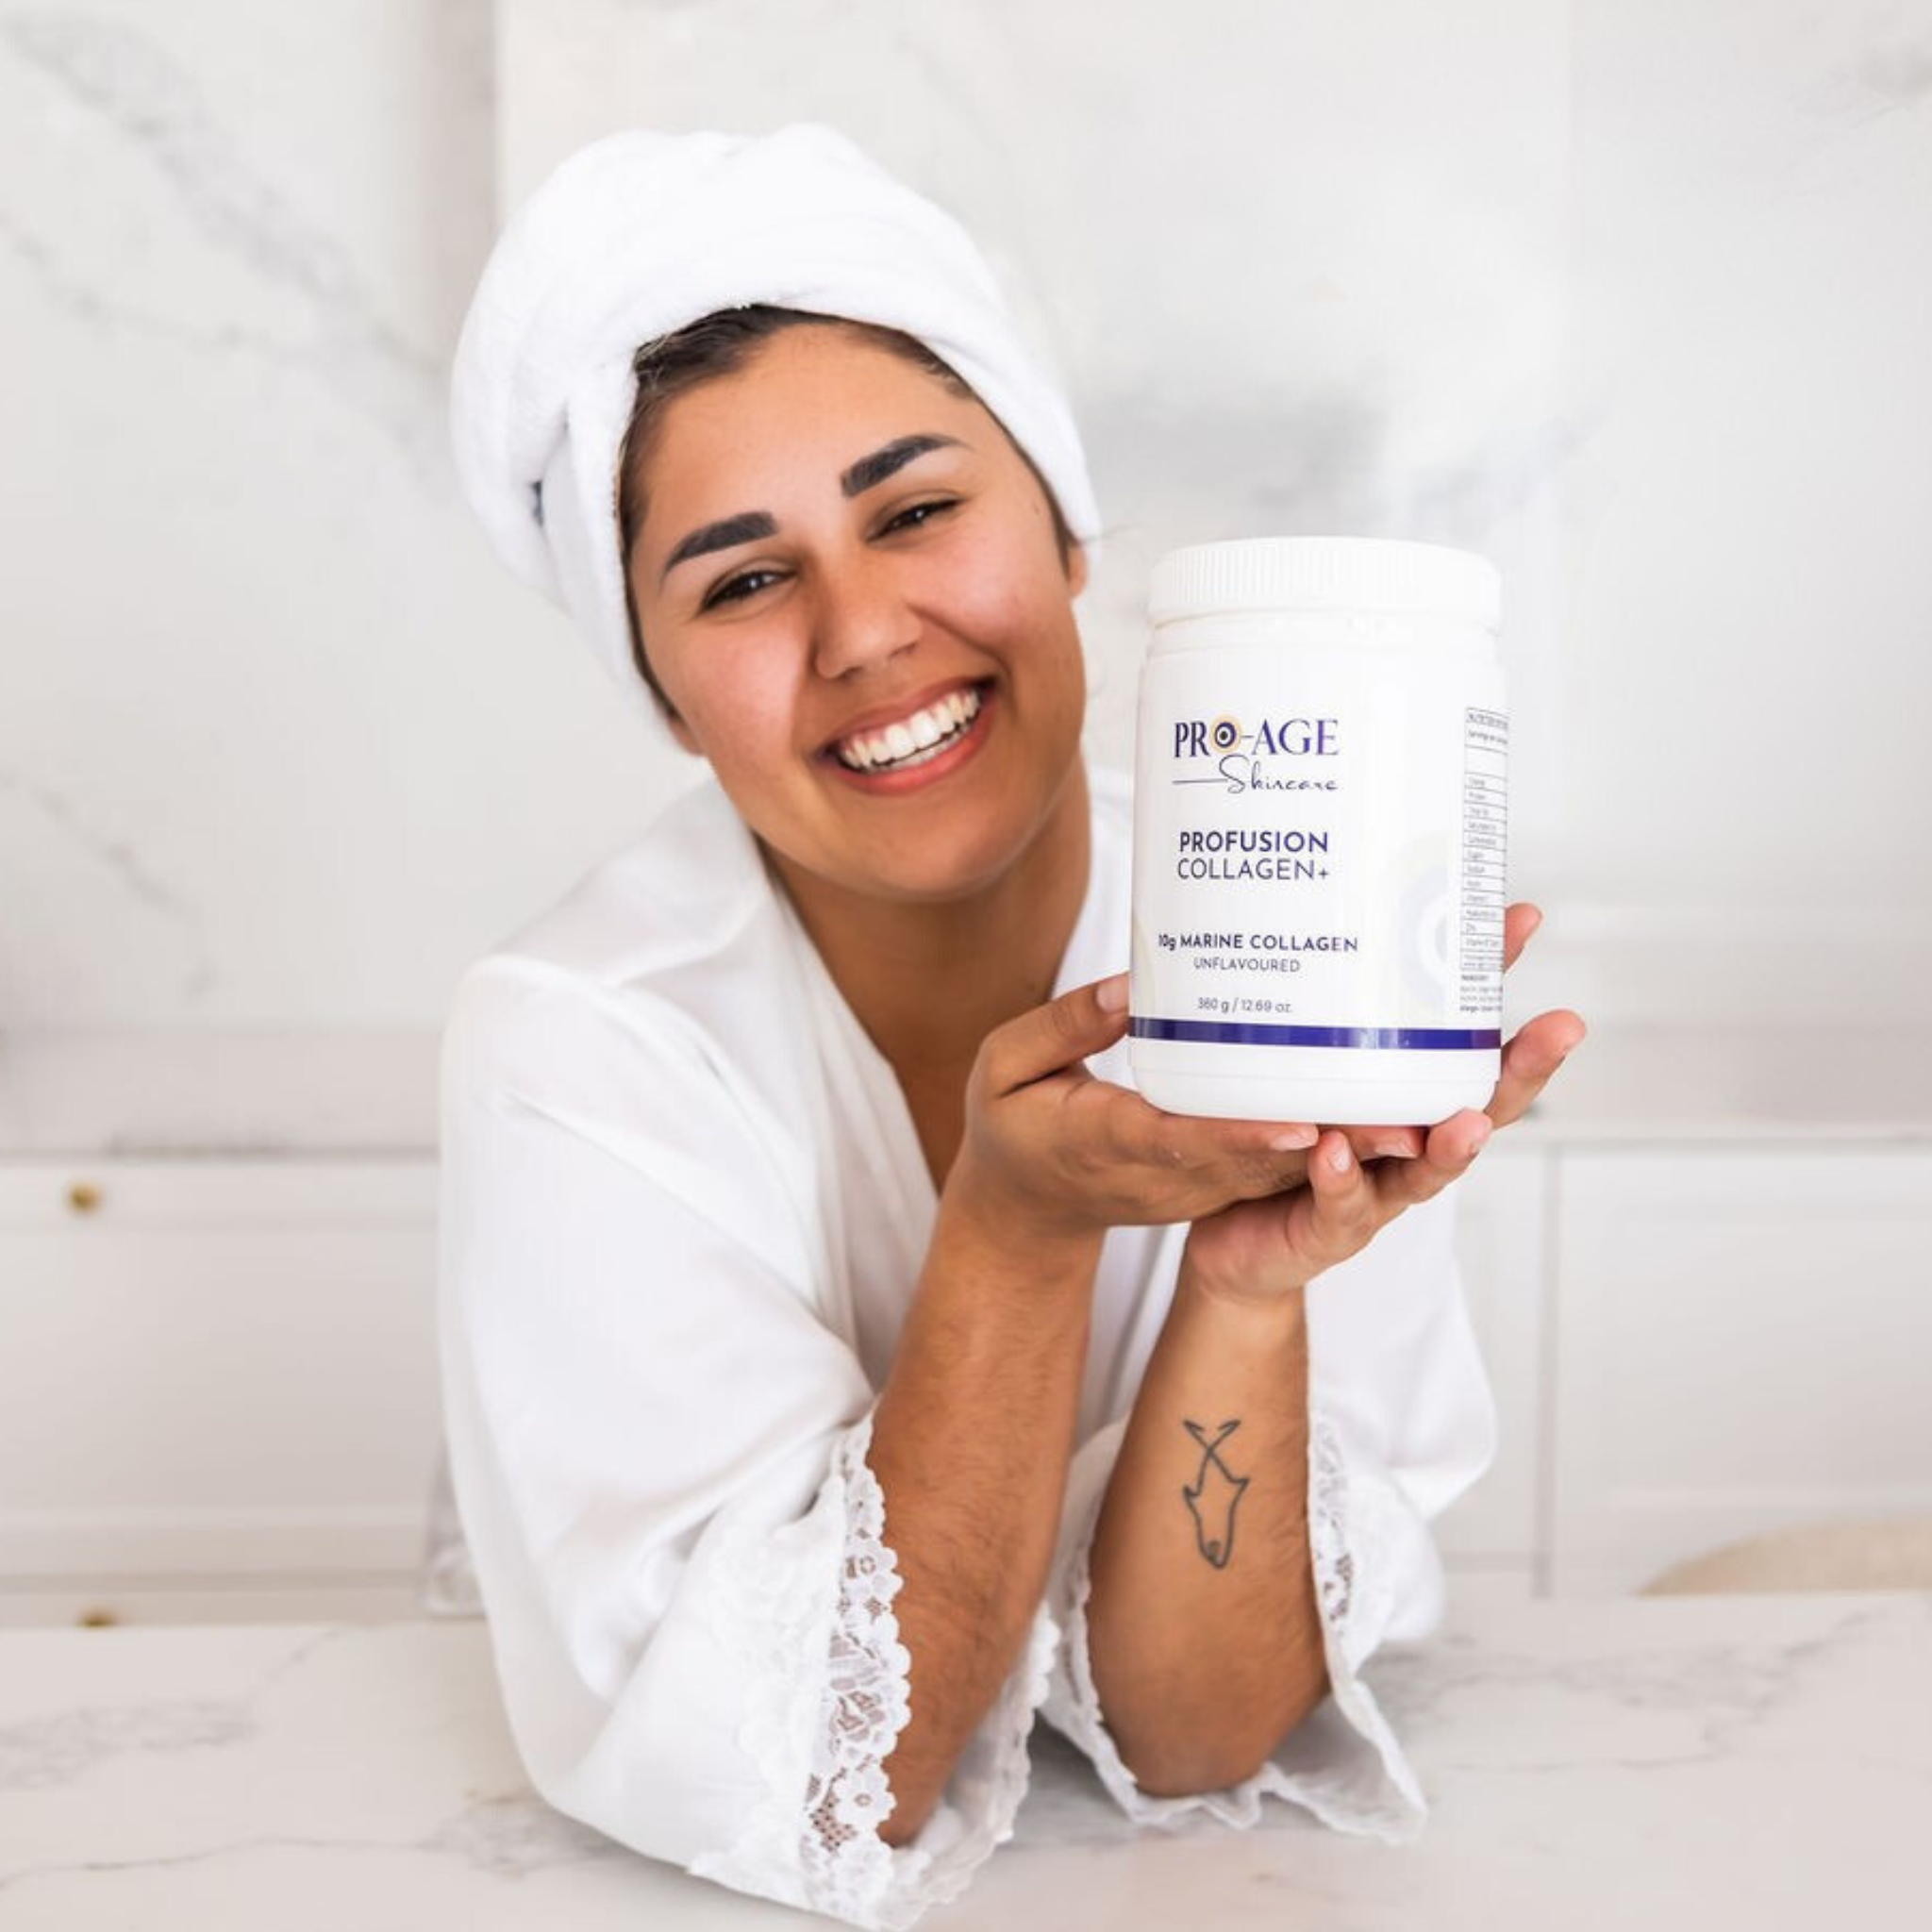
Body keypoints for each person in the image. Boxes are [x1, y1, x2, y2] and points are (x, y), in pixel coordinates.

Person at [437, 123, 1586, 1932]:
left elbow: (1202, 1739)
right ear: (664, 694)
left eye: (914, 512)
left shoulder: (1305, 939)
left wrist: (1247, 1289)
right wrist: (1020, 1225)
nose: (863, 633)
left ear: (1062, 530)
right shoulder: (581, 1042)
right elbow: (834, 1779)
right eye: (742, 580)